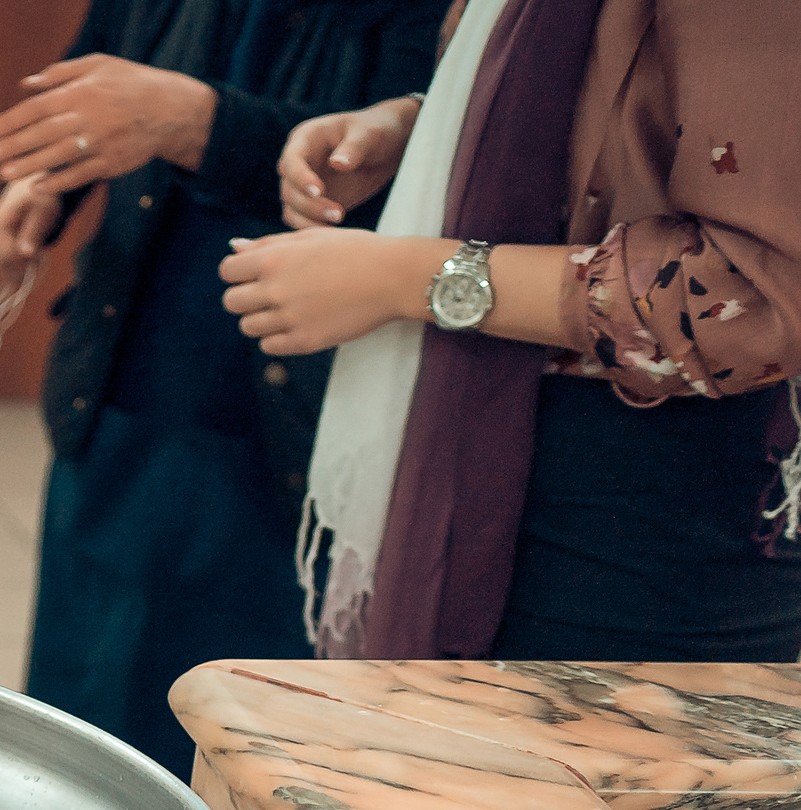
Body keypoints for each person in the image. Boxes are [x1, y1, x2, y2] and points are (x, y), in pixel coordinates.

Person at [221, 0, 801, 661]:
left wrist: (411, 278)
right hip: (504, 466)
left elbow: (756, 297)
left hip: (637, 529)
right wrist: (423, 130)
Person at [0, 0, 445, 777]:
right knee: (81, 723)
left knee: (235, 748)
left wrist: (196, 123)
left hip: (286, 426)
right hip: (117, 384)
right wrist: (42, 186)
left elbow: (406, 176)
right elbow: (97, 80)